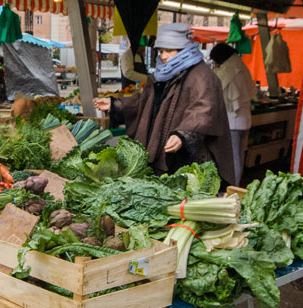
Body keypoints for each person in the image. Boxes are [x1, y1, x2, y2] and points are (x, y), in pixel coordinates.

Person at [93, 23, 233, 180]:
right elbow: (146, 102)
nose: (163, 56)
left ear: (184, 50)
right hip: (163, 149)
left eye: (169, 50)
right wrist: (116, 104)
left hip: (190, 157)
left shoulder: (203, 76)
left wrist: (184, 134)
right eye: (160, 51)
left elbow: (205, 110)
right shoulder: (163, 74)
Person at [210, 43, 256, 186]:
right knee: (239, 156)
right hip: (244, 120)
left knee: (233, 158)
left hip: (233, 121)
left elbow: (215, 84)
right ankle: (235, 184)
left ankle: (233, 187)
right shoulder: (240, 66)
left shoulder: (230, 69)